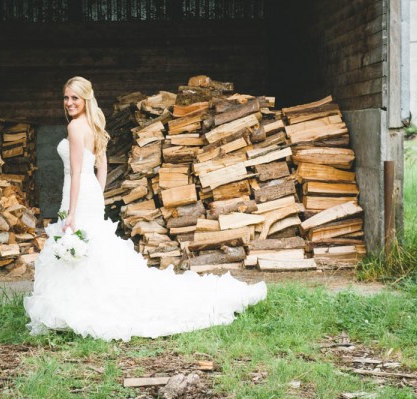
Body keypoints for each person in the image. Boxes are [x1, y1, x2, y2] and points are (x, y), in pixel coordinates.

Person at [24, 77, 267, 342]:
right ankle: (79, 302)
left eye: (75, 98)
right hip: (90, 194)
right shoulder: (94, 125)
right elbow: (100, 167)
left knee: (80, 244)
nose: (69, 103)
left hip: (78, 195)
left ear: (85, 99)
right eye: (66, 97)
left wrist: (71, 212)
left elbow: (79, 172)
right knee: (92, 248)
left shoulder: (75, 128)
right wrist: (98, 195)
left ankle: (77, 305)